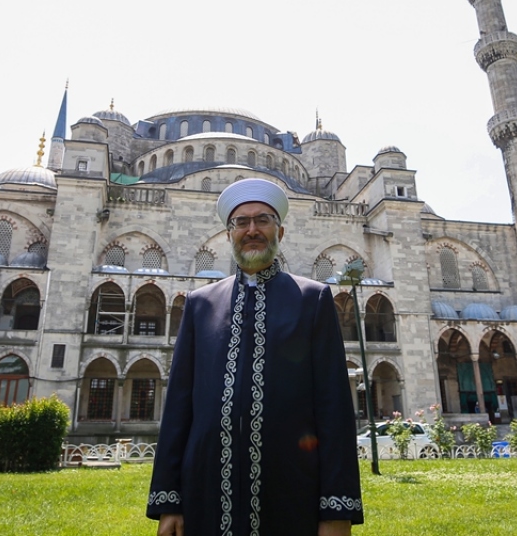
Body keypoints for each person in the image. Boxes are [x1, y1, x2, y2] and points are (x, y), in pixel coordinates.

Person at [147, 178, 363, 536]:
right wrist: (168, 501)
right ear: (228, 233)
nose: (252, 230)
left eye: (262, 220)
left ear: (279, 230)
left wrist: (336, 508)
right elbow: (179, 407)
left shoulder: (313, 300)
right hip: (206, 492)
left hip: (291, 491)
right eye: (241, 222)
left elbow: (334, 407)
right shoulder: (201, 304)